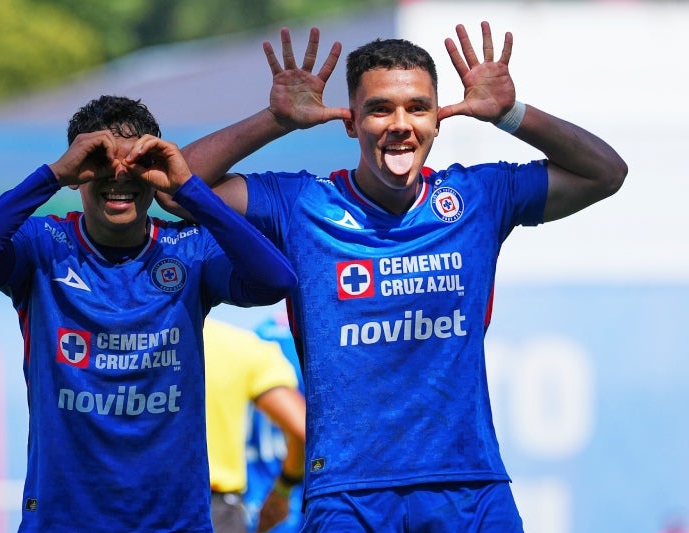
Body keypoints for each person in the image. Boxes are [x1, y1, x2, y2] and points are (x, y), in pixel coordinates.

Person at [167, 22, 628, 532]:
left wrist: (512, 115)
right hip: (347, 494)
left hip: (468, 486)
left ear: (438, 120)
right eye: (380, 108)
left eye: (417, 108)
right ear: (350, 122)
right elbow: (173, 186)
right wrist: (275, 121)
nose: (400, 123)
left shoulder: (478, 197)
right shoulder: (301, 204)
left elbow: (605, 173)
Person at [0, 95, 297, 532]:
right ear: (78, 171)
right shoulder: (43, 246)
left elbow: (276, 281)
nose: (119, 179)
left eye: (136, 163)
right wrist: (51, 176)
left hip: (174, 522)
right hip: (62, 520)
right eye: (100, 163)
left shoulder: (189, 249)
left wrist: (189, 190)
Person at [203, 318, 305, 533]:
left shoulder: (124, 346)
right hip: (215, 512)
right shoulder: (241, 346)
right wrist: (283, 489)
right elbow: (303, 429)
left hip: (128, 505)